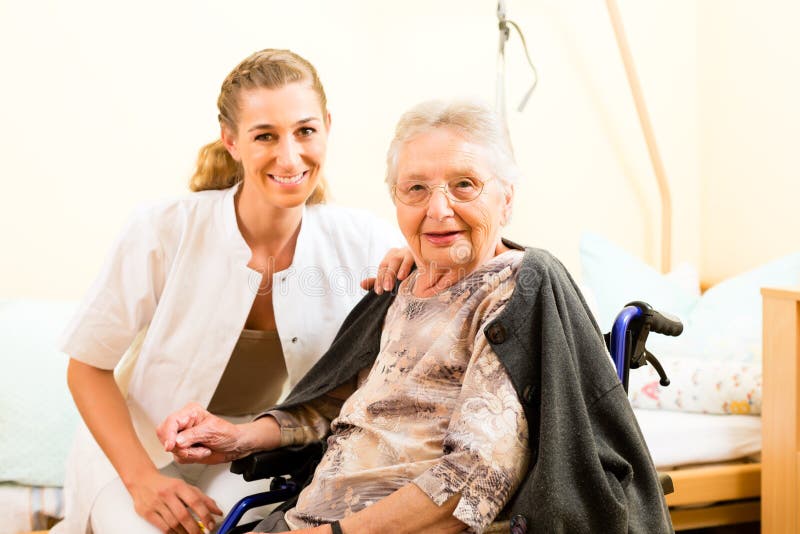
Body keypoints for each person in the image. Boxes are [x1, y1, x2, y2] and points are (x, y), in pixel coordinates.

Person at [160, 99, 673, 533]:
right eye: (416, 190)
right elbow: (338, 404)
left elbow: (476, 474)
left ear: (507, 199)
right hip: (309, 517)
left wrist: (337, 533)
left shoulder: (512, 289)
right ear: (396, 200)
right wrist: (238, 436)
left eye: (465, 185)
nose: (439, 209)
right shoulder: (399, 286)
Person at [54, 49, 411, 534]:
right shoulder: (161, 230)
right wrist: (140, 481)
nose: (290, 156)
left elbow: (447, 282)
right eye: (265, 136)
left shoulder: (363, 240)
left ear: (327, 125)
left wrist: (414, 260)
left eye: (305, 130)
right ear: (231, 141)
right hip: (134, 454)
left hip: (249, 451)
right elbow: (86, 366)